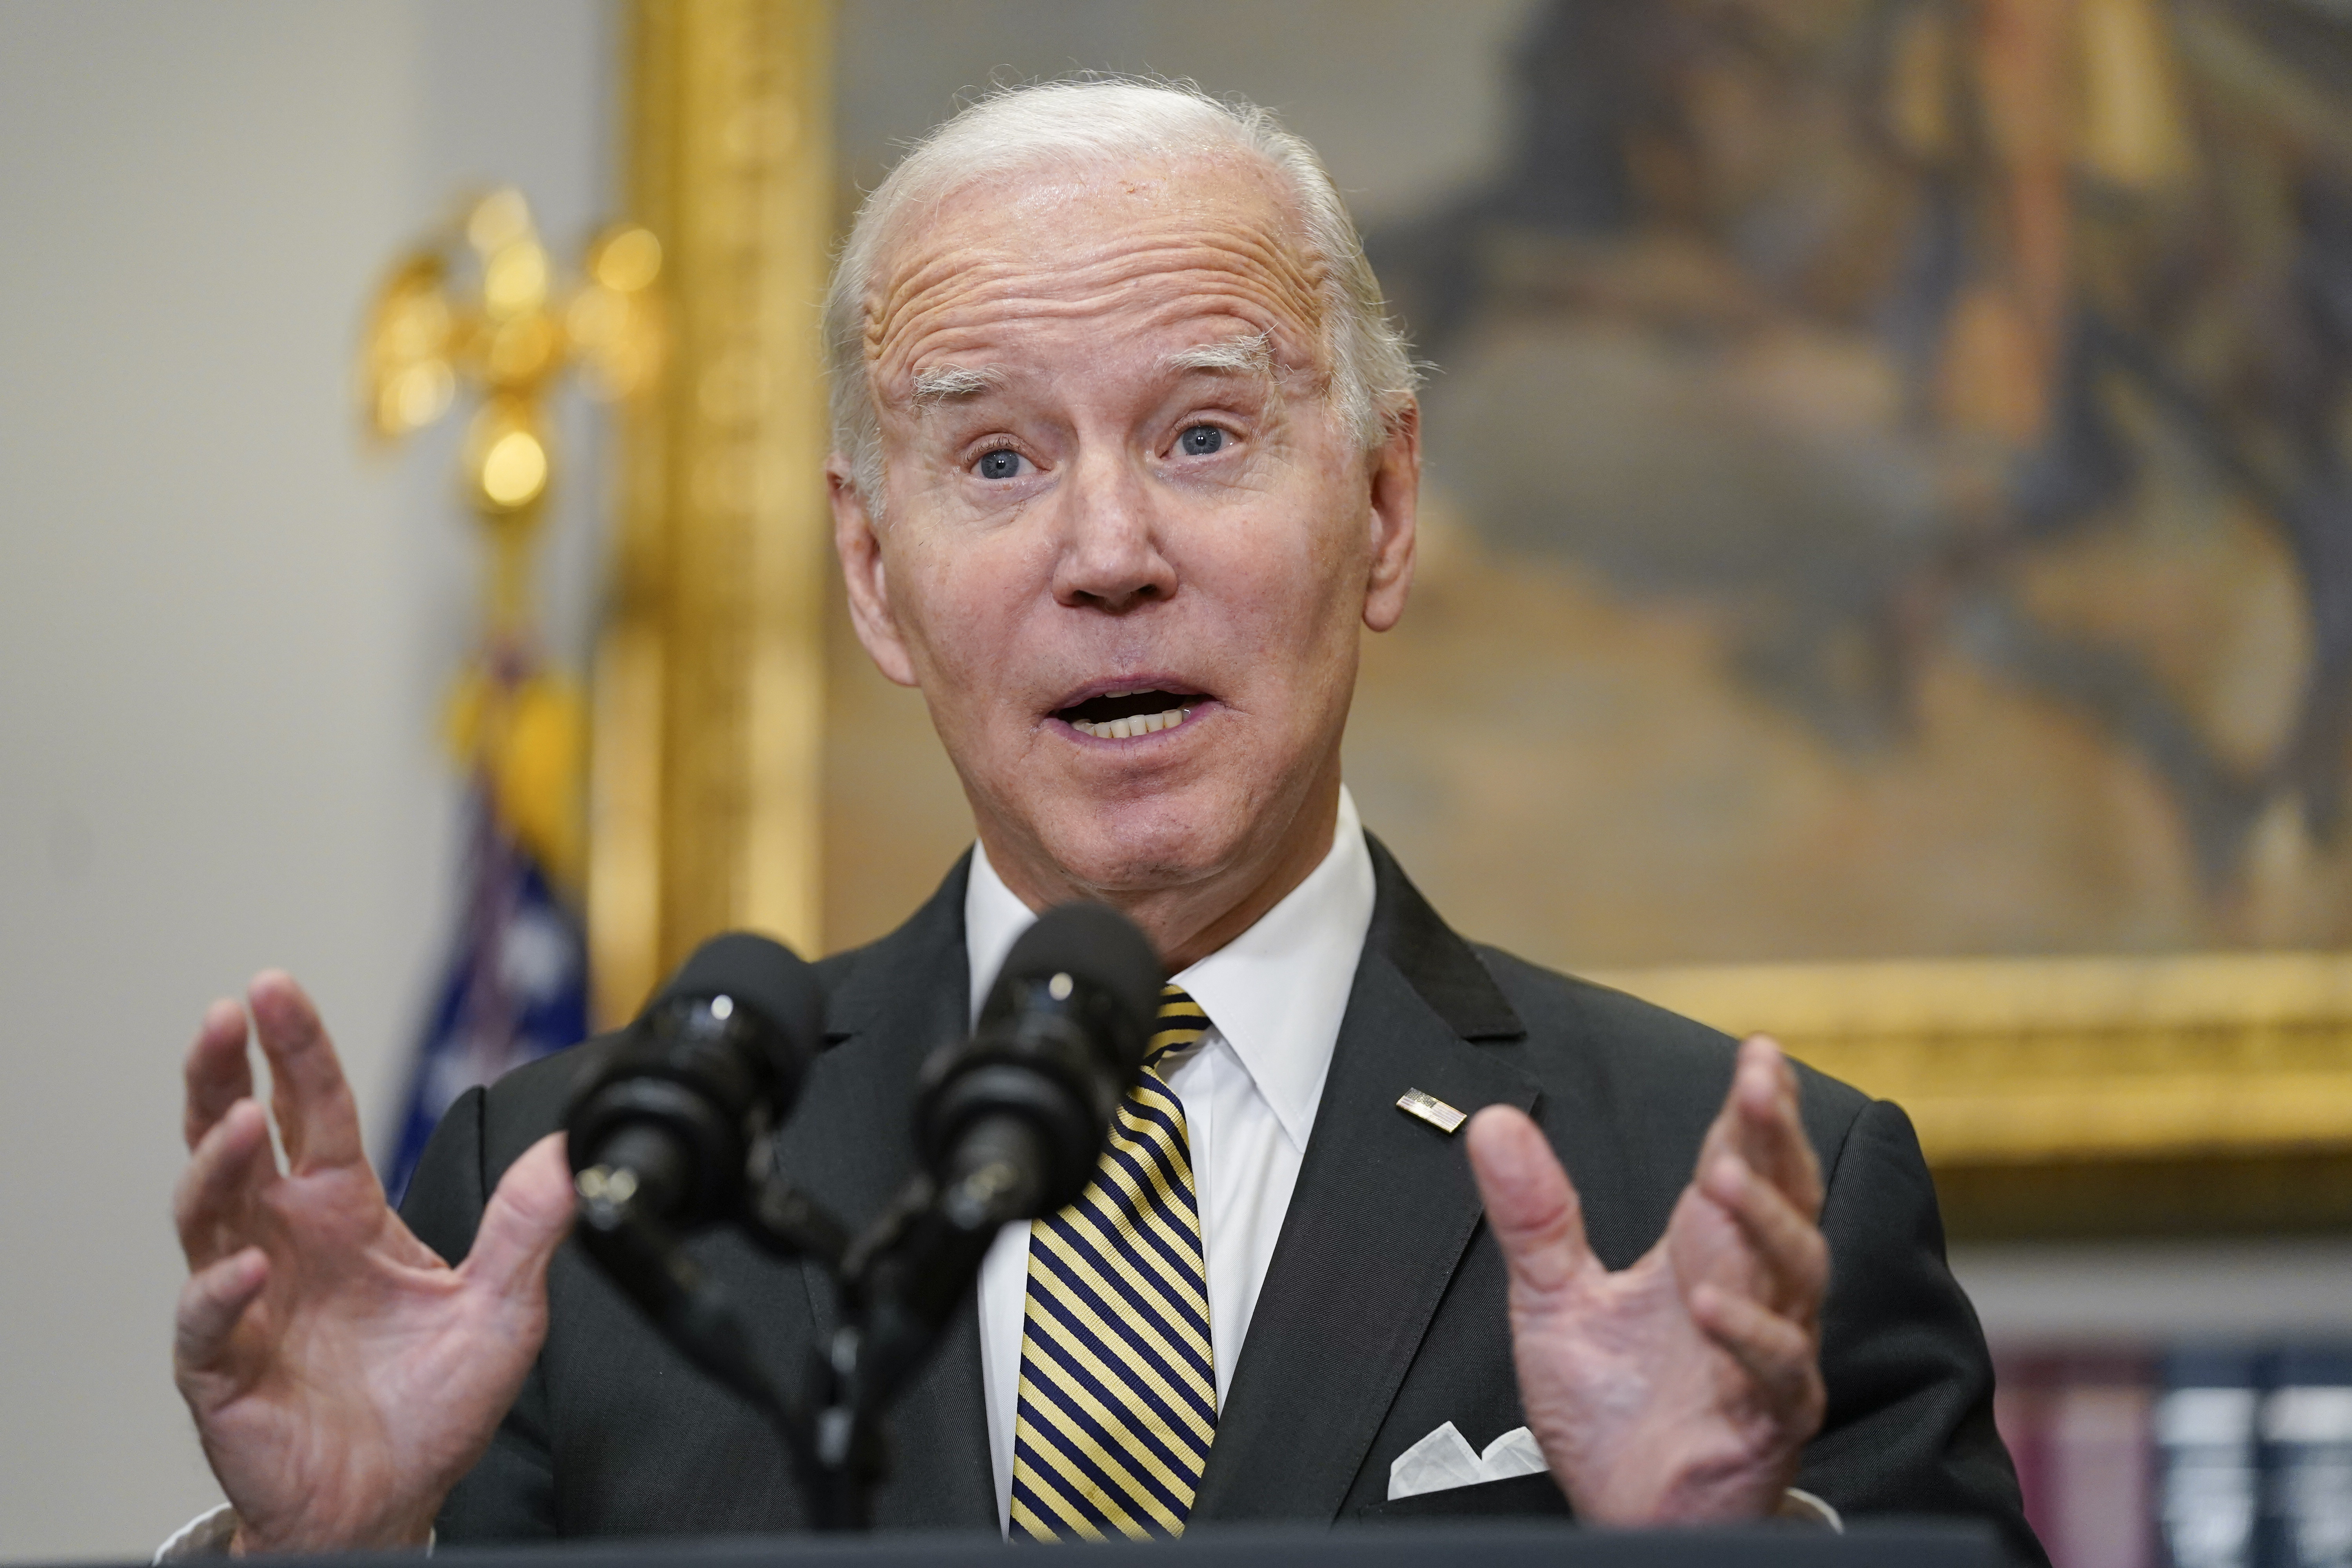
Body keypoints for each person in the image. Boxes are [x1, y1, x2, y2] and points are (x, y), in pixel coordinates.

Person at [168, 80, 2038, 1559]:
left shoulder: (1723, 1188)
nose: (1111, 553)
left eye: (1206, 434)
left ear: (1384, 508)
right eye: (995, 457)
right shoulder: (572, 1200)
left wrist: (1734, 1563)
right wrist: (322, 1553)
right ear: (876, 573)